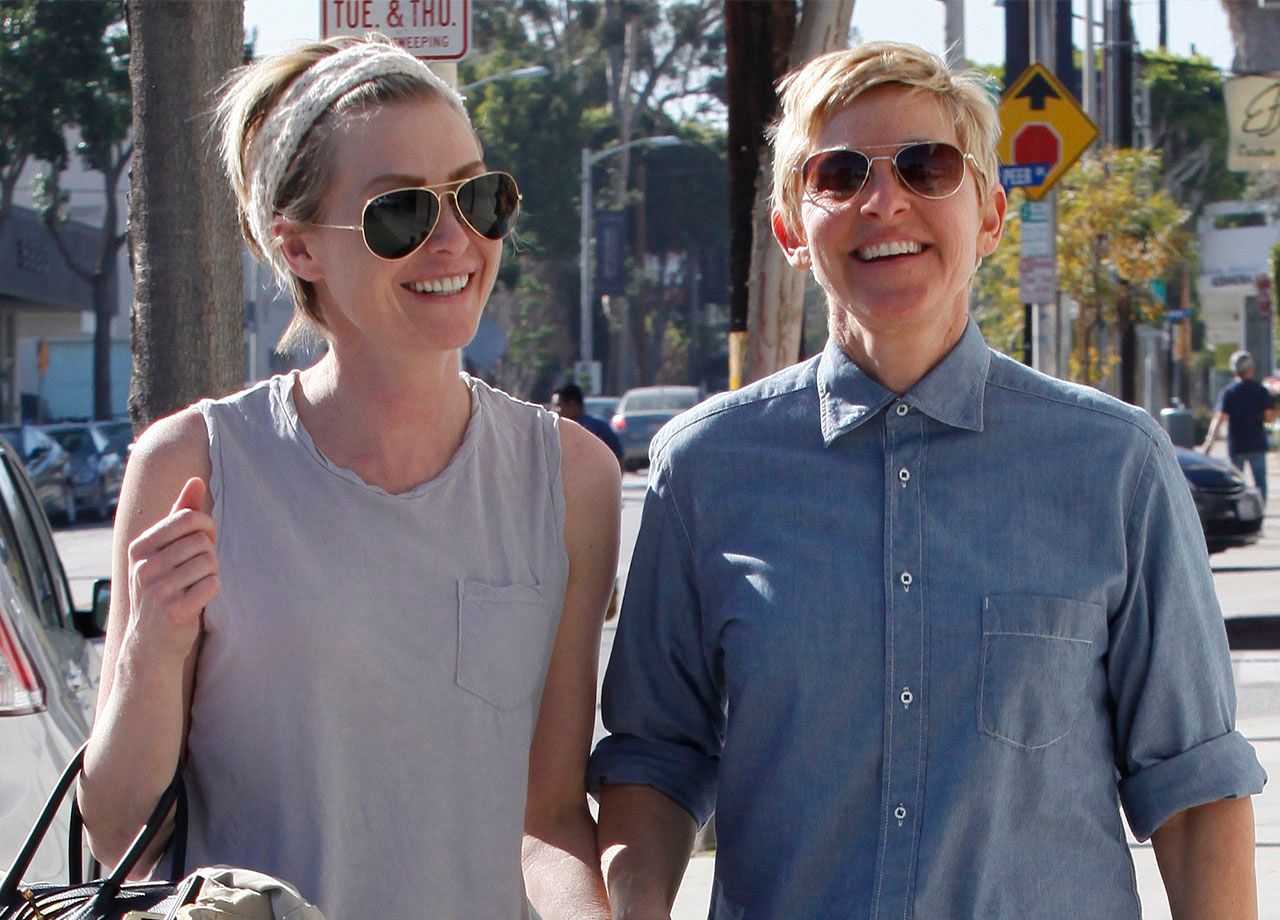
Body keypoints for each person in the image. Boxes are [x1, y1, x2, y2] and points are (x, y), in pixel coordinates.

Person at [589, 42, 1265, 920]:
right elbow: (654, 760)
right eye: (838, 174)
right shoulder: (705, 470)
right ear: (793, 229)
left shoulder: (1116, 465)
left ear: (989, 215)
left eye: (928, 165)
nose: (885, 201)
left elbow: (1197, 790)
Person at [77, 35, 618, 920]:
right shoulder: (192, 466)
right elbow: (118, 833)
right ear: (297, 250)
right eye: (401, 212)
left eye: (478, 198)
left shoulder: (569, 476)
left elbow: (549, 819)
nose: (456, 241)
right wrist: (152, 649)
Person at [1202, 349, 1275, 502]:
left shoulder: (1229, 392)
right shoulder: (1261, 391)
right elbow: (1269, 419)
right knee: (1260, 483)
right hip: (1256, 443)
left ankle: (1239, 514)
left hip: (1237, 444)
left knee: (1236, 484)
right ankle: (1258, 513)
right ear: (1250, 369)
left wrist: (1209, 441)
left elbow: (1218, 418)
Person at [552, 383, 625, 472]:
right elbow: (619, 458)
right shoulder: (601, 425)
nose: (554, 410)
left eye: (558, 405)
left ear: (572, 404)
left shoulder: (578, 428)